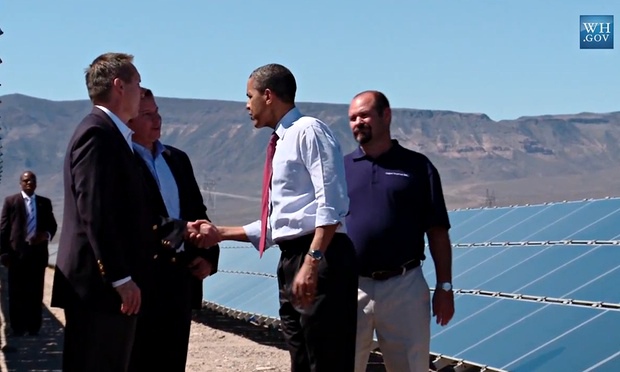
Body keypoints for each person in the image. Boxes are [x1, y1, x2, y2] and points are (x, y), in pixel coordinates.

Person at [50, 52, 220, 372]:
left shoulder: (114, 137)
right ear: (119, 86)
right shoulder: (97, 134)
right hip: (100, 290)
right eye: (138, 85)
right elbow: (96, 212)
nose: (141, 91)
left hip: (122, 287)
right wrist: (120, 277)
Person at [216, 63, 359, 372]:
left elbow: (331, 203)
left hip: (321, 257)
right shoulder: (281, 143)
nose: (246, 105)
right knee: (302, 358)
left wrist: (312, 260)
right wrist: (220, 233)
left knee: (327, 358)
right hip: (295, 258)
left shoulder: (309, 131)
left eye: (249, 95)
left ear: (268, 96)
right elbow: (283, 221)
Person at [344, 90, 455, 372]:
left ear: (386, 115)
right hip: (350, 285)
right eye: (353, 118)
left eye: (364, 115)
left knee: (409, 366)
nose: (358, 122)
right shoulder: (340, 169)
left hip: (404, 286)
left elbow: (438, 232)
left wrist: (445, 287)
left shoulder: (417, 167)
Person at [127, 88, 220, 372]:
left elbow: (197, 213)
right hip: (140, 282)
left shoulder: (177, 159)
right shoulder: (121, 161)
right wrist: (181, 231)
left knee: (172, 360)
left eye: (157, 113)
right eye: (147, 115)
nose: (157, 120)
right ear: (128, 119)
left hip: (178, 279)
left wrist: (208, 256)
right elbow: (132, 218)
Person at [0, 171, 57, 337]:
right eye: (26, 180)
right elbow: (4, 229)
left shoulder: (44, 203)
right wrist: (3, 252)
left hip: (37, 256)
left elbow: (52, 226)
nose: (29, 183)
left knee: (35, 292)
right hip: (16, 256)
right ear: (20, 183)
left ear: (36, 183)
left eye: (32, 180)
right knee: (16, 293)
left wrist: (44, 235)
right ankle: (18, 327)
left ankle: (34, 327)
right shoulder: (11, 202)